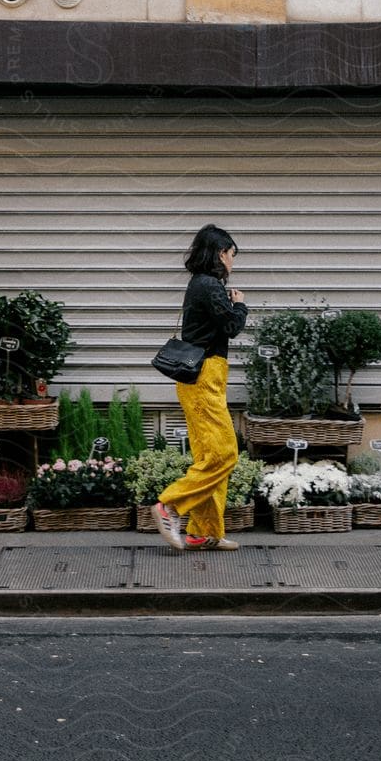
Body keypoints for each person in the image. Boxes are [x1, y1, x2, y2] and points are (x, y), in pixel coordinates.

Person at [152, 224, 249, 552]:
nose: (233, 262)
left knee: (211, 455)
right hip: (204, 378)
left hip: (205, 378)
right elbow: (232, 327)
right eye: (232, 255)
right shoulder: (209, 286)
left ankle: (203, 532)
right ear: (220, 253)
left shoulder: (202, 284)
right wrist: (240, 304)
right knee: (224, 453)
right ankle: (170, 506)